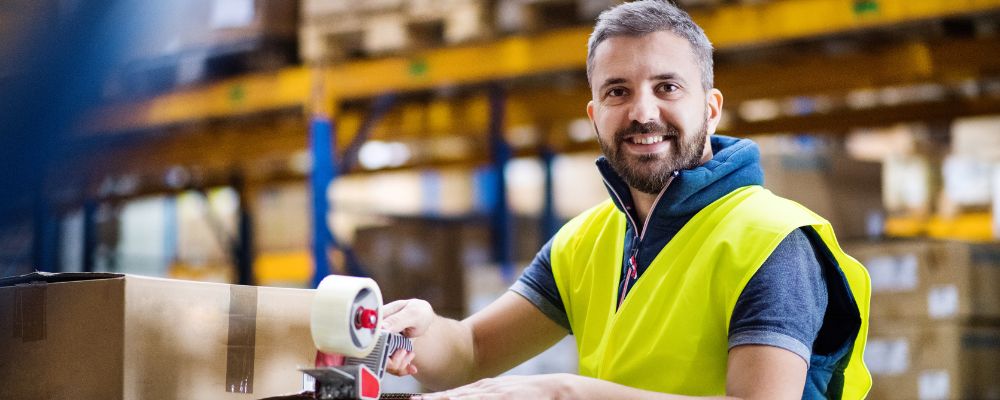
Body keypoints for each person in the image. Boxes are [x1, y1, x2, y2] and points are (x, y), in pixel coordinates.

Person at [380, 1, 872, 399]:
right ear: (595, 115)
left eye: (668, 87)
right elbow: (470, 352)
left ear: (712, 107)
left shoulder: (772, 243)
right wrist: (421, 332)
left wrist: (565, 393)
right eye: (618, 91)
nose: (642, 112)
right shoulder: (585, 243)